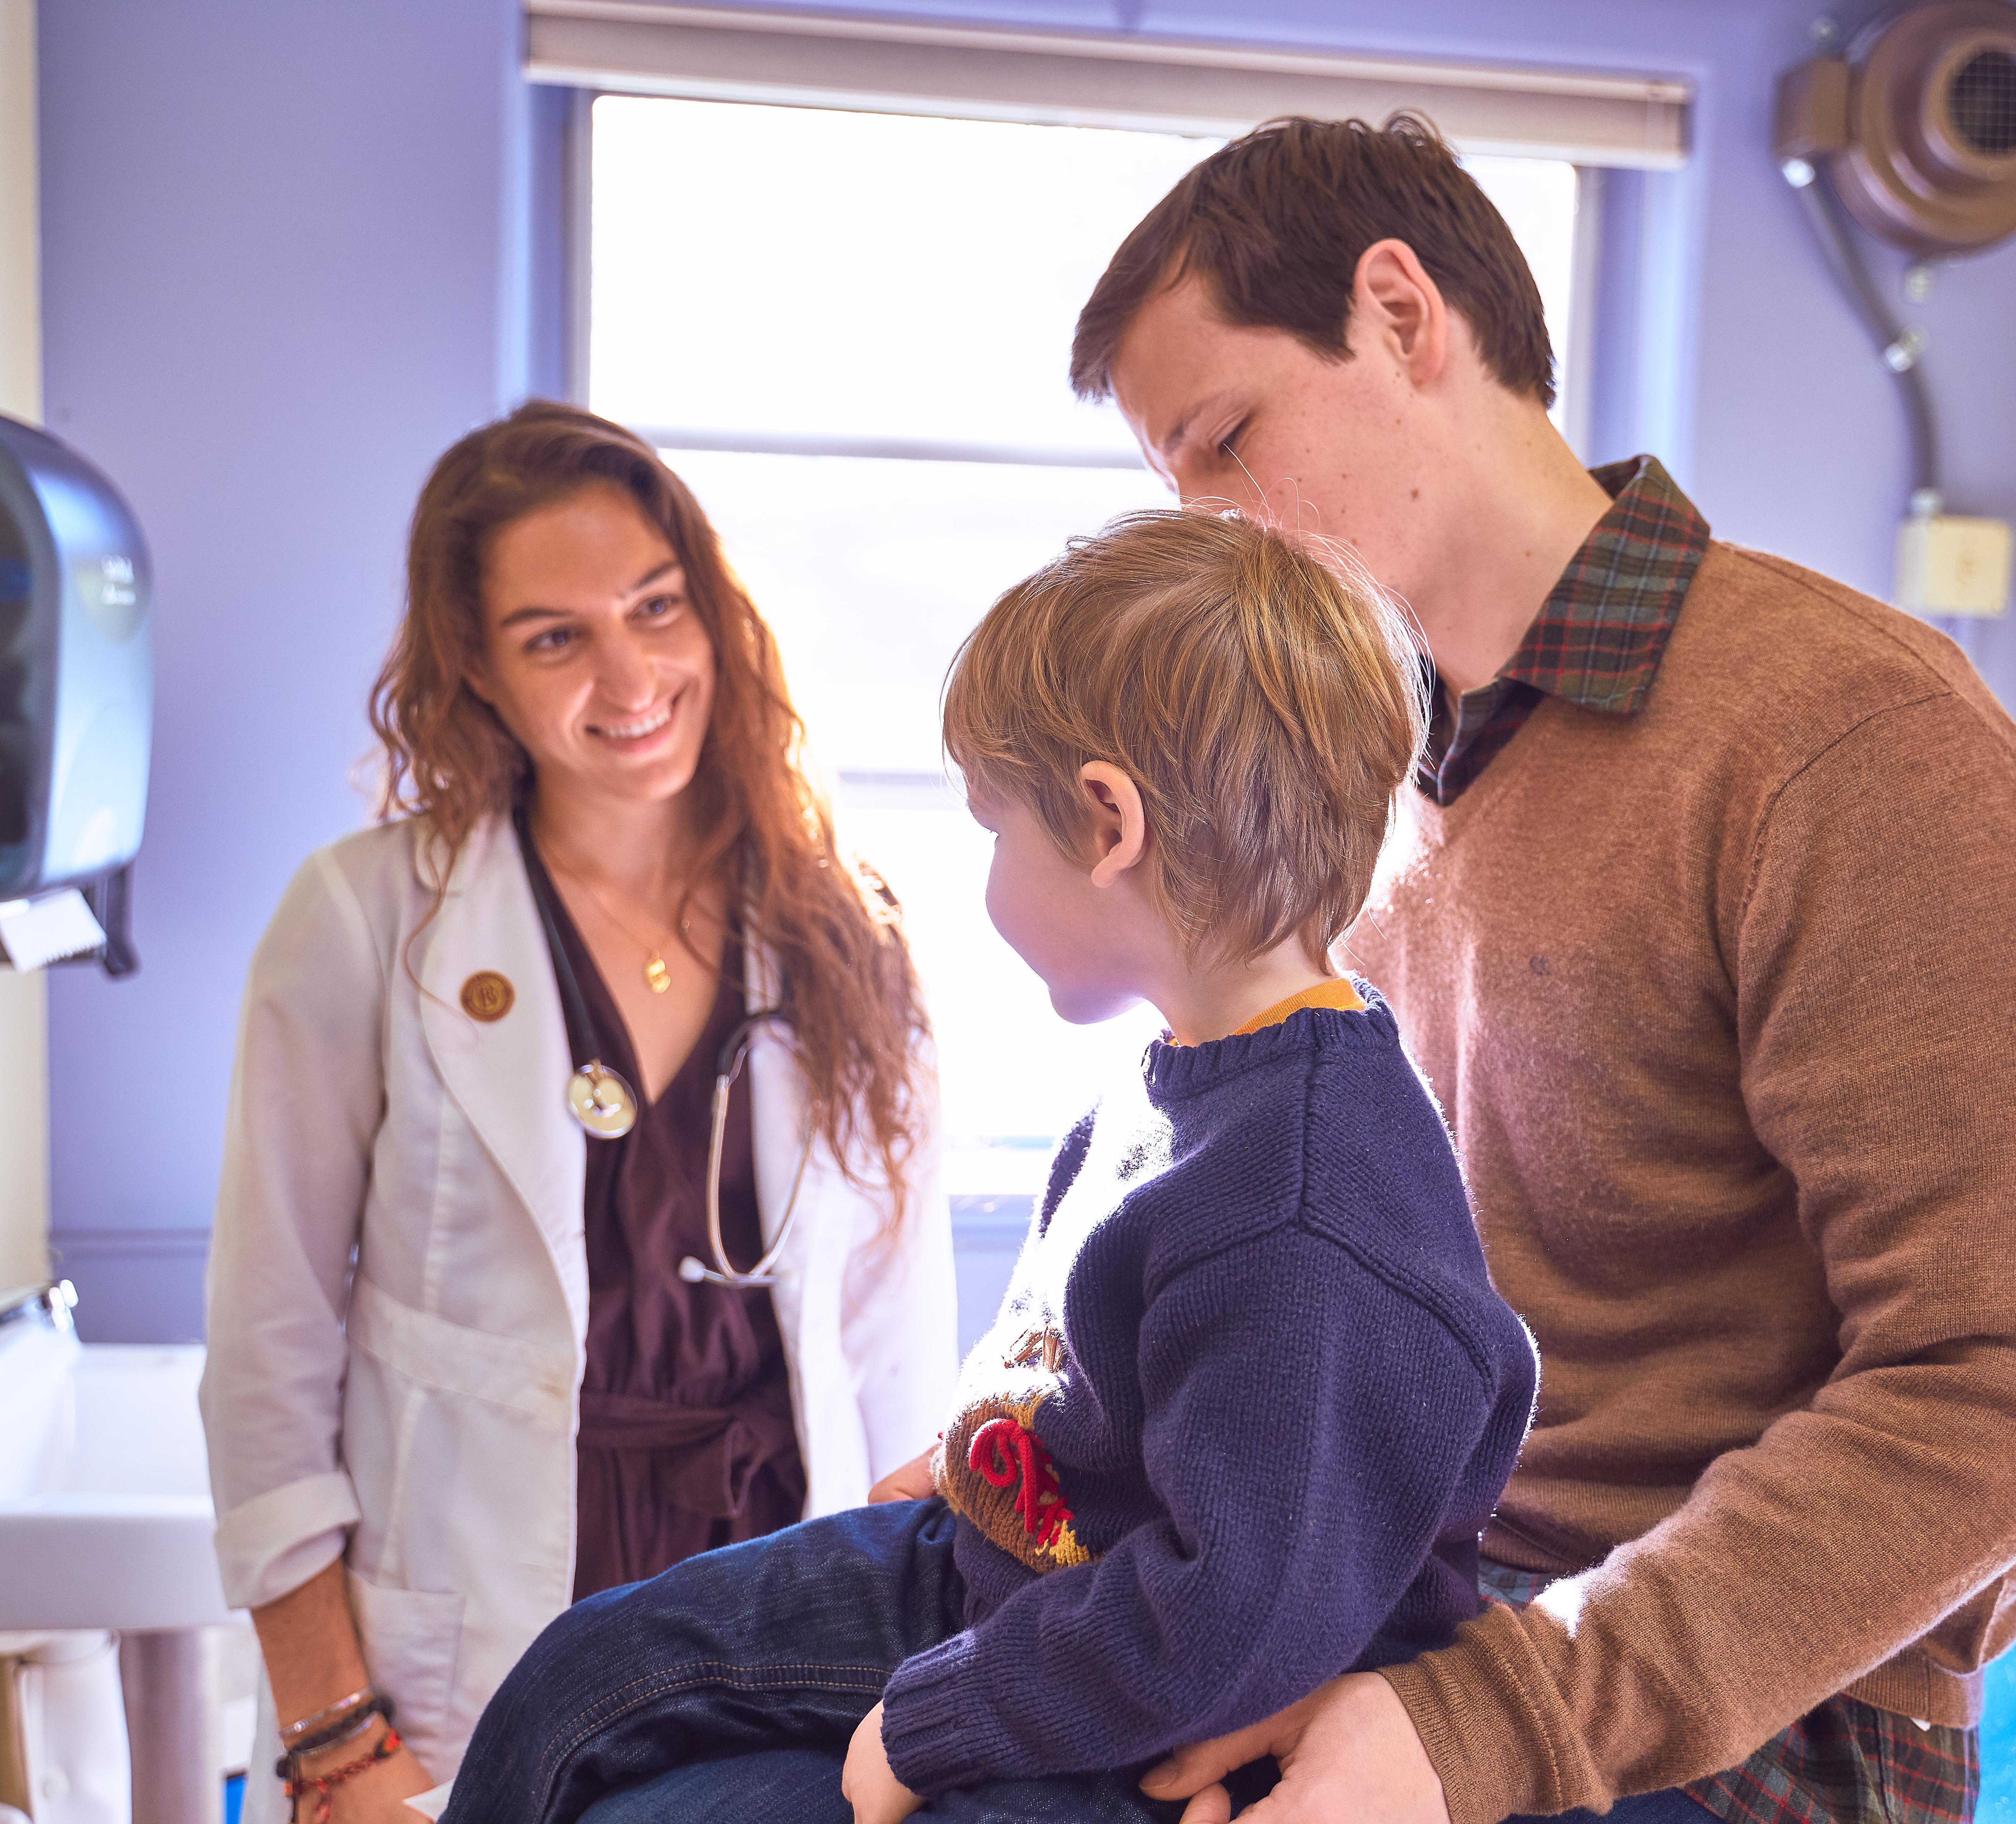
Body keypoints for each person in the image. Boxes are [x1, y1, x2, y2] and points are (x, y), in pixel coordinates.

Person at [1065, 118, 2016, 1824]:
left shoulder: (1850, 743)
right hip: (1412, 1617)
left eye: (1225, 440)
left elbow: (1991, 1397)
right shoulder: (1368, 797)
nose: (1208, 528)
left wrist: (1487, 1721)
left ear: (1403, 316)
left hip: (1748, 1715)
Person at [436, 508, 1540, 1824]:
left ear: (1103, 821)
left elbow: (1225, 1616)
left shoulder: (1302, 1215)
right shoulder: (1184, 1070)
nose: (985, 870)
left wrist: (925, 1728)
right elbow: (1090, 1370)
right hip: (1010, 1572)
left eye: (993, 827)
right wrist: (976, 1450)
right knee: (584, 1671)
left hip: (1160, 1695)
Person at [199, 405, 959, 1823]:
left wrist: (915, 1694)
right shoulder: (370, 921)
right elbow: (266, 1355)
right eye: (556, 636)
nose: (631, 674)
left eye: (655, 607)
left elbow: (897, 1366)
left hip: (768, 1631)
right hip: (460, 1649)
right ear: (477, 669)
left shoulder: (851, 935)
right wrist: (336, 1737)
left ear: (714, 613)